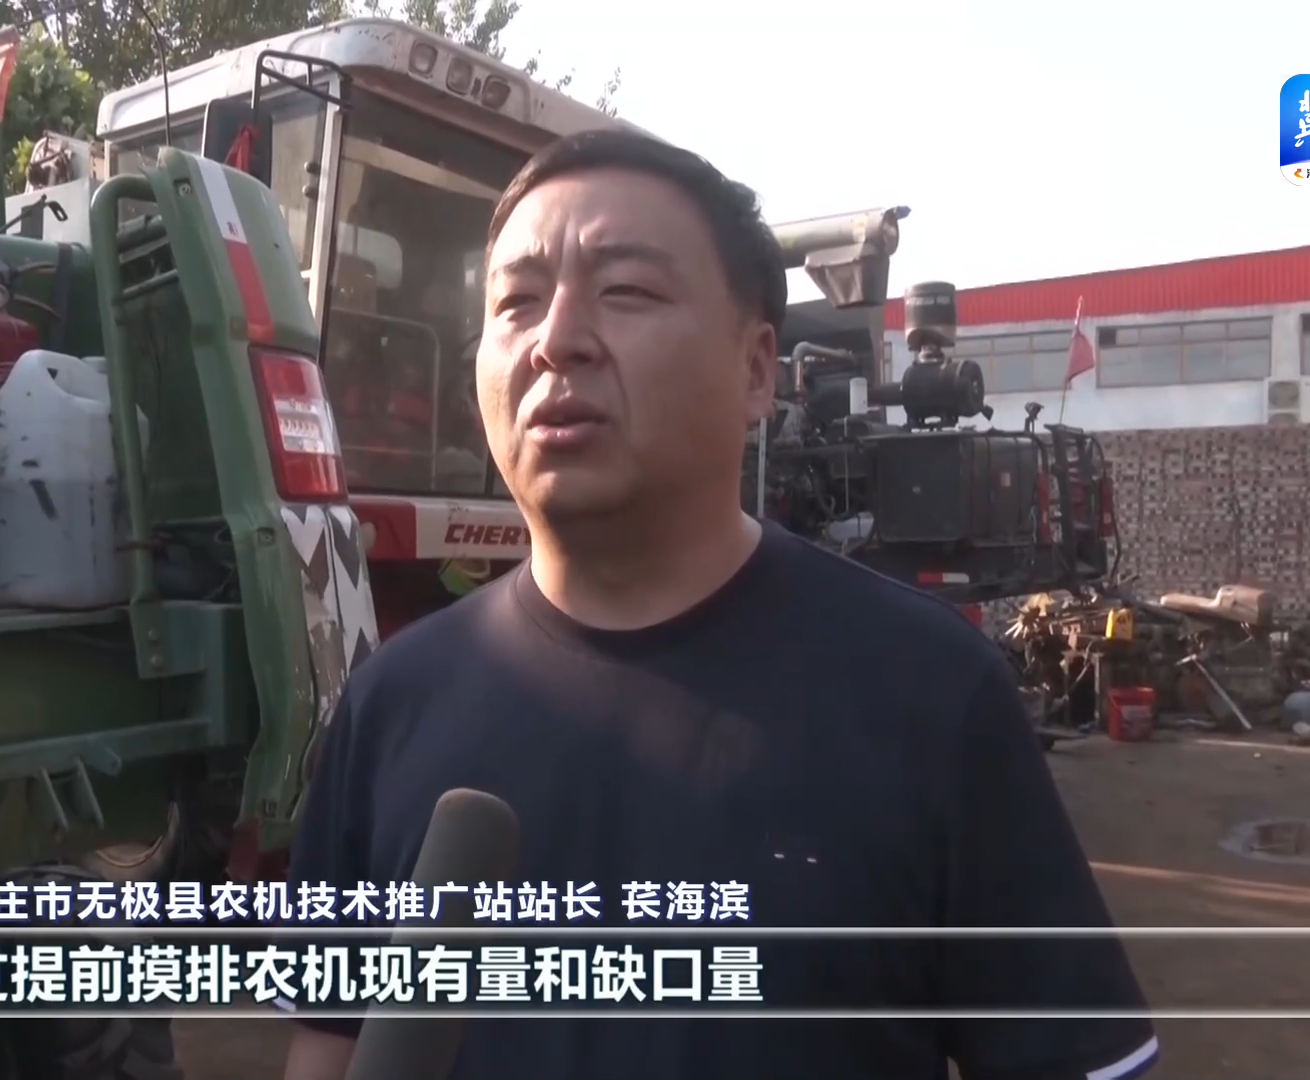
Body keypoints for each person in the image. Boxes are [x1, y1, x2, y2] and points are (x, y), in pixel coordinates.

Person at [278, 129, 1158, 1080]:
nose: (555, 339)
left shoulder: (931, 693)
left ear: (756, 370)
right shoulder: (392, 703)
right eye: (515, 302)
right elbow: (329, 1041)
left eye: (626, 291)